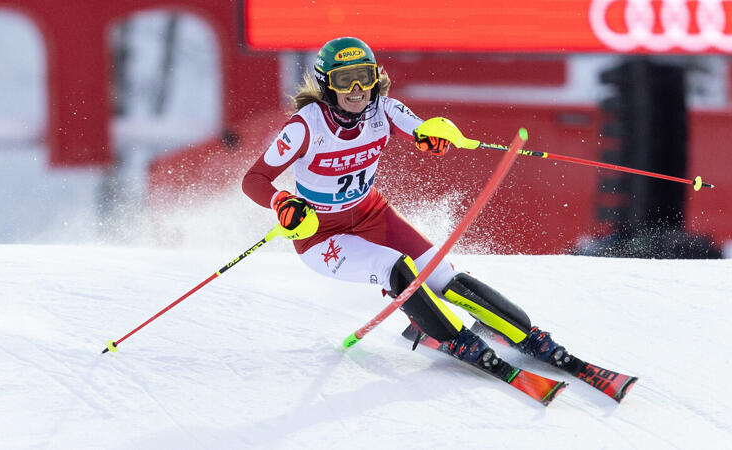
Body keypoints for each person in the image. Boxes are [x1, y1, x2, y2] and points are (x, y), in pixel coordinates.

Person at [242, 36, 576, 374]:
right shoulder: (305, 126)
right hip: (321, 235)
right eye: (345, 80)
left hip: (372, 214)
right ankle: (457, 339)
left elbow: (422, 129)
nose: (357, 89)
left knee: (442, 275)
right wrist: (281, 201)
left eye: (365, 77)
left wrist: (434, 137)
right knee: (395, 267)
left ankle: (527, 335)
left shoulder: (383, 110)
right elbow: (254, 179)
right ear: (327, 85)